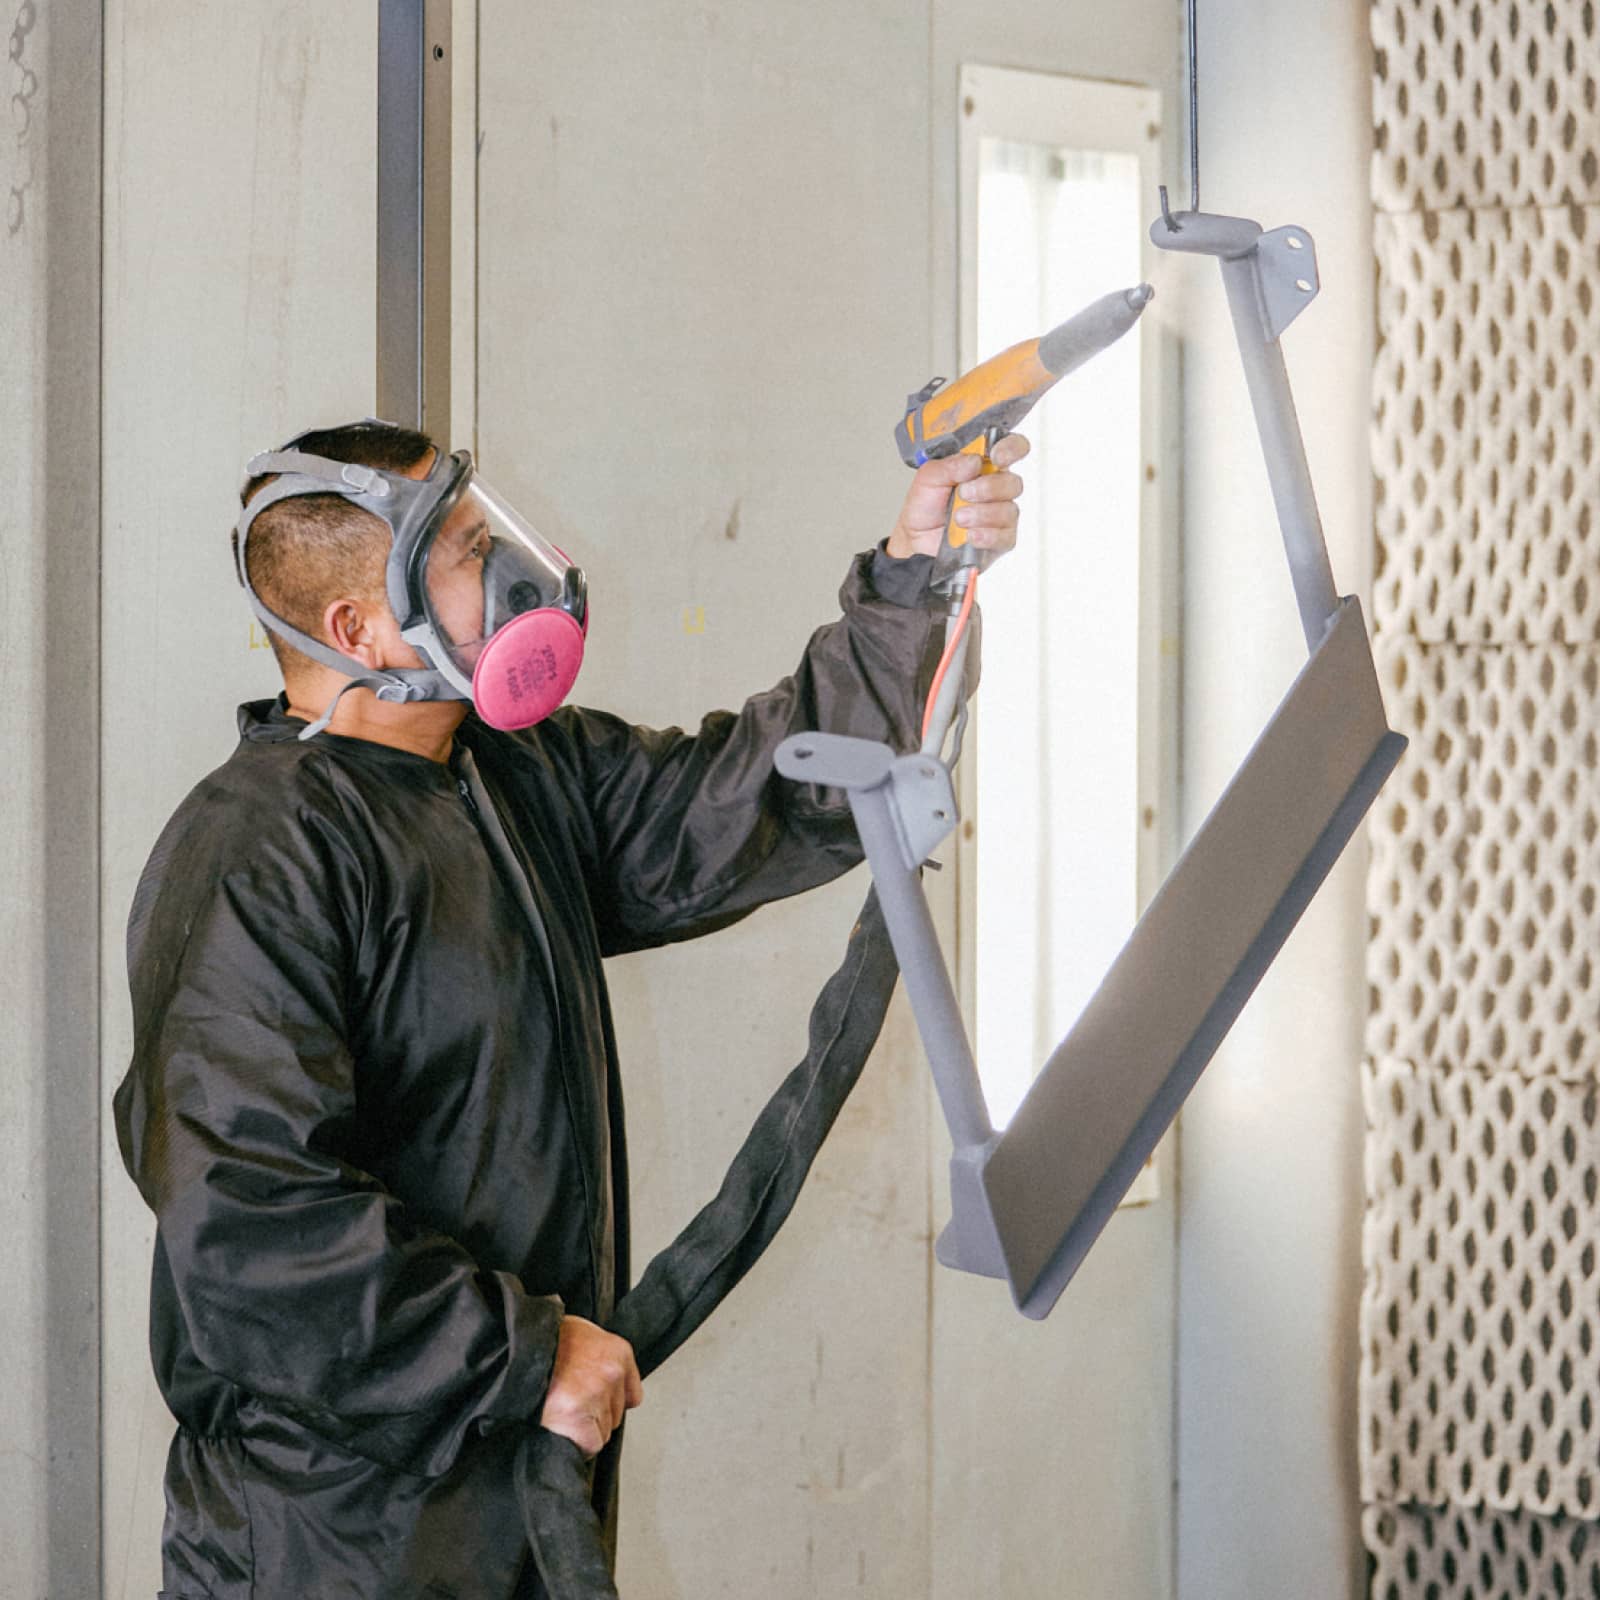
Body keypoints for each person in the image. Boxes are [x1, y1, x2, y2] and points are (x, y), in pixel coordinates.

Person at [114, 418, 1028, 1599]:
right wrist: (524, 1354)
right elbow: (248, 1221)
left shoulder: (516, 775)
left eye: (493, 534)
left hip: (519, 1495)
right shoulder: (259, 850)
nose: (515, 575)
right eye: (463, 550)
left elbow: (748, 796)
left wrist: (914, 573)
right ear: (357, 628)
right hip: (334, 1536)